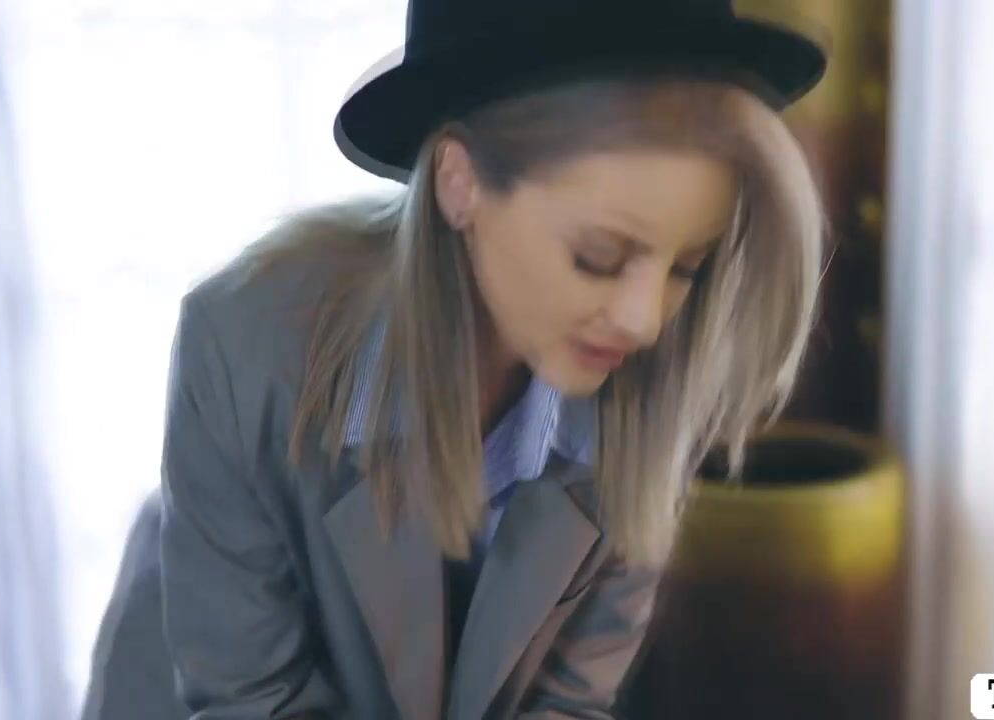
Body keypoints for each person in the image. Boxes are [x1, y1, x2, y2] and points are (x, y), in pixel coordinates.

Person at [83, 0, 829, 718]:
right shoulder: (243, 346)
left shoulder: (649, 394)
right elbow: (254, 701)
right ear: (459, 183)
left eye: (686, 267)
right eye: (599, 256)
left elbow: (569, 701)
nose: (646, 320)